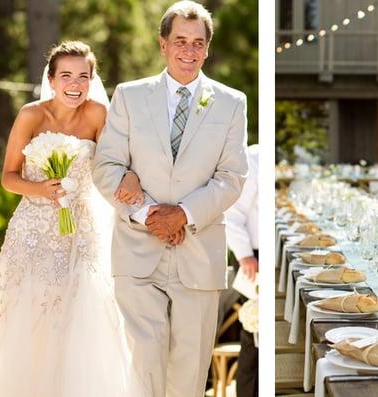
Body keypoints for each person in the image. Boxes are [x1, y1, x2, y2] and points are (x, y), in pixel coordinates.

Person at [0, 41, 146, 396]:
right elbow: (9, 177)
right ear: (51, 78)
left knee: (83, 309)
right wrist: (42, 189)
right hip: (34, 228)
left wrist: (131, 176)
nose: (74, 84)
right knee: (26, 310)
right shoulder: (31, 114)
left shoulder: (97, 115)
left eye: (83, 76)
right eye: (66, 76)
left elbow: (113, 165)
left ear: (92, 79)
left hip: (82, 229)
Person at [92, 1, 248, 396]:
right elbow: (106, 166)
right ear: (163, 44)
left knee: (189, 372)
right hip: (136, 253)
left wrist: (184, 214)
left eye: (198, 43)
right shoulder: (129, 96)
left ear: (207, 49)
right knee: (145, 358)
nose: (189, 51)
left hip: (199, 254)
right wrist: (149, 215)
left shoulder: (231, 103)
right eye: (180, 40)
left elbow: (232, 177)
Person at [225, 144, 259, 397]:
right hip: (252, 257)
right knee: (254, 336)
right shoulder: (253, 157)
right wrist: (245, 255)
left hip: (266, 255)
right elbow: (232, 212)